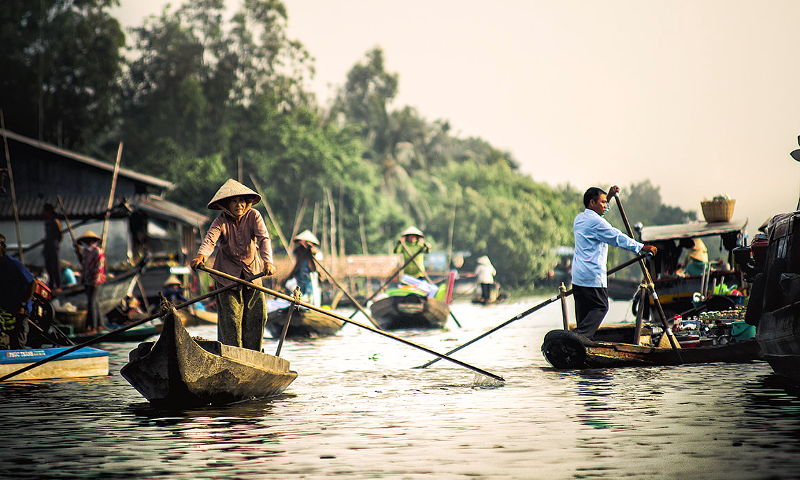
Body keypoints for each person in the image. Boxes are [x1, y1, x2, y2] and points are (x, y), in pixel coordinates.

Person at [191, 179, 275, 351]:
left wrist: (268, 262)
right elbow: (210, 240)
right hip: (226, 276)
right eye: (234, 201)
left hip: (253, 274)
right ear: (226, 205)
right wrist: (201, 256)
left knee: (258, 315)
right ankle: (232, 353)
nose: (239, 205)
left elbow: (263, 239)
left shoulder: (254, 216)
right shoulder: (220, 221)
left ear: (247, 203)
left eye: (242, 201)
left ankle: (253, 353)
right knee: (231, 318)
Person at [572, 186, 657, 339]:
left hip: (578, 277)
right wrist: (641, 247)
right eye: (603, 202)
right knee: (600, 307)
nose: (606, 206)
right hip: (592, 276)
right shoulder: (596, 223)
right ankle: (578, 337)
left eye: (606, 202)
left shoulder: (580, 218)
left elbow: (599, 218)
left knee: (584, 317)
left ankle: (579, 341)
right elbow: (617, 237)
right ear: (592, 202)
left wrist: (609, 196)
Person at [0, 233, 34, 349]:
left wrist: (23, 304)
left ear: (2, 247)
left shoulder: (13, 264)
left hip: (20, 309)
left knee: (18, 344)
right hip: (6, 311)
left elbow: (32, 283)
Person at [75, 230, 106, 332]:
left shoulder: (97, 251)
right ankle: (100, 325)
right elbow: (84, 266)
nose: (88, 243)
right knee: (94, 302)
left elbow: (99, 267)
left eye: (89, 241)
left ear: (93, 241)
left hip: (95, 280)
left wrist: (94, 279)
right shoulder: (85, 251)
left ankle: (93, 326)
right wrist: (83, 279)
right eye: (86, 241)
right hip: (87, 280)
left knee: (91, 303)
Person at [286, 230, 322, 306]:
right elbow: (297, 264)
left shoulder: (313, 251)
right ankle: (301, 306)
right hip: (300, 275)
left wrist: (310, 249)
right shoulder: (299, 251)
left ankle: (310, 307)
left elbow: (315, 265)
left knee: (310, 293)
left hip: (309, 276)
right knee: (300, 291)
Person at [42, 203, 63, 290]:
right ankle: (51, 284)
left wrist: (54, 243)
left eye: (45, 211)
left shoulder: (56, 222)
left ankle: (58, 285)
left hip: (53, 245)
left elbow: (60, 235)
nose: (43, 213)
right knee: (48, 266)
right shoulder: (47, 222)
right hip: (47, 245)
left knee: (55, 265)